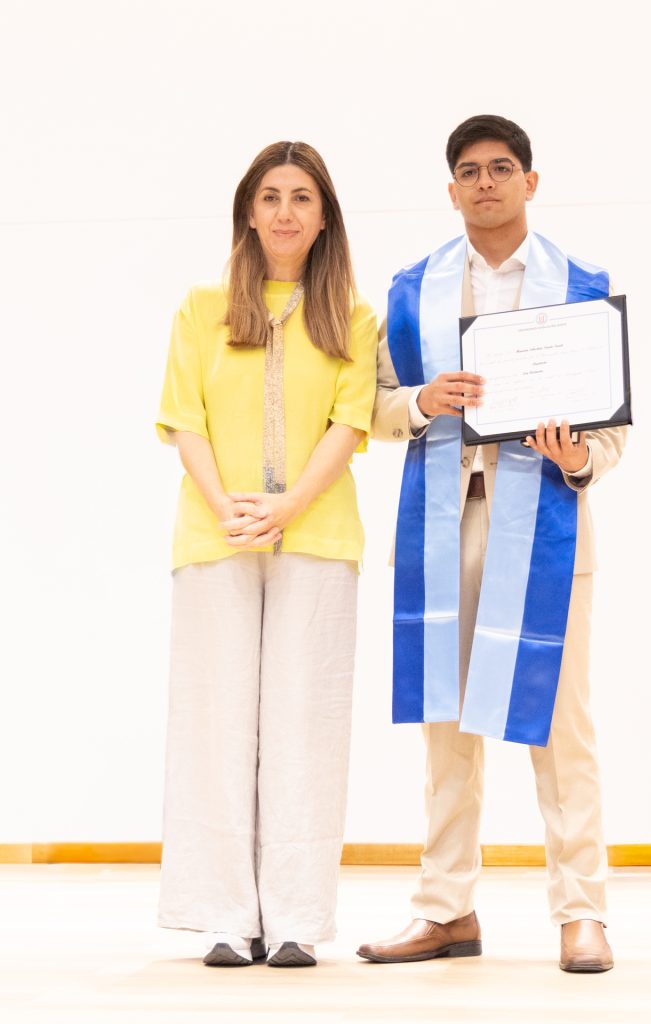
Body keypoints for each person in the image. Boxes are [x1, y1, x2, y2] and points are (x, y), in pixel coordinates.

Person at [356, 115, 627, 973]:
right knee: (445, 726)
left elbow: (614, 427)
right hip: (443, 523)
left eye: (501, 168)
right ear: (451, 190)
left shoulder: (581, 288)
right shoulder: (414, 291)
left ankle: (582, 911)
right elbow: (373, 404)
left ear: (530, 182)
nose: (485, 183)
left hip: (545, 522)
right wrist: (422, 402)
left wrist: (578, 457)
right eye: (469, 171)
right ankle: (446, 910)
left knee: (561, 724)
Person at [156, 141, 377, 969]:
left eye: (302, 197)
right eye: (272, 196)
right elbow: (184, 418)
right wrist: (228, 508)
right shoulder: (202, 307)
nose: (286, 211)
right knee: (217, 721)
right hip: (215, 533)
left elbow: (350, 424)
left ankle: (294, 919)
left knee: (304, 723)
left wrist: (287, 507)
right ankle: (223, 915)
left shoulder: (352, 315)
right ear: (249, 211)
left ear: (324, 217)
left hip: (318, 534)